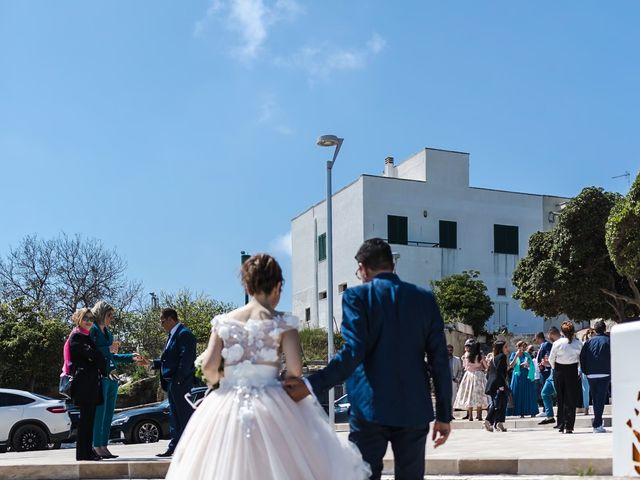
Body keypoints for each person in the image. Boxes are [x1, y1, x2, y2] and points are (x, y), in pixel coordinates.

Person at [165, 254, 370, 479]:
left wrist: (222, 382)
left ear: (247, 285)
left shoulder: (224, 321)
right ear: (277, 285)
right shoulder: (284, 323)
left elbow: (209, 366)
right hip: (272, 401)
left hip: (226, 402)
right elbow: (295, 370)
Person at [285, 238, 452, 480]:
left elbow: (353, 351)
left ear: (363, 267)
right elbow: (439, 361)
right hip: (414, 408)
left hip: (369, 407)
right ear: (391, 264)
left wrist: (312, 385)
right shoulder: (424, 299)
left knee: (363, 476)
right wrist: (444, 415)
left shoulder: (357, 297)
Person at [139, 308, 197, 457]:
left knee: (184, 416)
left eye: (162, 321)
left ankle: (189, 448)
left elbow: (186, 360)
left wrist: (178, 380)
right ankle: (175, 447)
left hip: (180, 383)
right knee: (174, 417)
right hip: (171, 383)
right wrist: (151, 363)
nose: (161, 325)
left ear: (171, 319)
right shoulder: (172, 335)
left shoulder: (185, 334)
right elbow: (169, 360)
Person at [89, 301, 142, 459]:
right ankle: (96, 446)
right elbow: (89, 351)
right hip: (99, 376)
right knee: (99, 413)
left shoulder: (108, 333)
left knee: (108, 414)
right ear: (101, 313)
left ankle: (103, 446)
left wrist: (131, 357)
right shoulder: (93, 329)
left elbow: (112, 356)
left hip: (112, 377)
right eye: (109, 315)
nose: (111, 318)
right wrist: (107, 349)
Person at [66, 308, 107, 461]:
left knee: (89, 420)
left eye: (91, 318)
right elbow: (93, 355)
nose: (89, 321)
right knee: (85, 420)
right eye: (85, 318)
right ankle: (83, 453)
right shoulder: (77, 336)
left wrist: (97, 356)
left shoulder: (86, 336)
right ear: (78, 320)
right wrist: (97, 356)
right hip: (84, 385)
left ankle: (87, 451)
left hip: (90, 384)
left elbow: (97, 357)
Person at [549, 320, 583, 434]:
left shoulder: (557, 343)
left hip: (559, 370)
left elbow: (551, 359)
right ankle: (569, 426)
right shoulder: (578, 343)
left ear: (561, 331)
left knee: (560, 398)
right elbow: (580, 360)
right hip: (572, 370)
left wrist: (555, 368)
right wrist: (577, 367)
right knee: (571, 399)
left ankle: (561, 424)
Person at [579, 320, 611, 433]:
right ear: (604, 329)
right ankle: (597, 424)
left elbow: (582, 357)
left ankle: (597, 423)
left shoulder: (588, 342)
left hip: (591, 374)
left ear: (595, 329)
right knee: (600, 399)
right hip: (605, 372)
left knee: (595, 398)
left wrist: (585, 371)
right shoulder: (608, 340)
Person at [454, 341, 488, 421]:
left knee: (469, 395)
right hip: (479, 376)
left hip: (469, 375)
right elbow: (486, 366)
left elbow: (465, 366)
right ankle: (479, 416)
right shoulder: (480, 355)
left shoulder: (466, 355)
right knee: (479, 395)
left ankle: (470, 416)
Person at [507, 341, 538, 418]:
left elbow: (532, 366)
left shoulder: (527, 354)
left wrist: (528, 366)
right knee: (519, 393)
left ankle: (531, 411)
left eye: (525, 346)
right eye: (522, 346)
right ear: (518, 346)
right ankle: (521, 412)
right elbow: (511, 365)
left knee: (528, 393)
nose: (523, 348)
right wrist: (518, 360)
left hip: (526, 376)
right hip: (518, 376)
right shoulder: (514, 354)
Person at [484, 341, 509, 432]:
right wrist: (501, 385)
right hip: (499, 384)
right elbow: (499, 372)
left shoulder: (493, 359)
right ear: (501, 348)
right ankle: (488, 421)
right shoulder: (502, 357)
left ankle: (499, 423)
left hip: (492, 384)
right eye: (505, 347)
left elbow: (489, 373)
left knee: (502, 403)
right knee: (497, 403)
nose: (507, 349)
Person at [538, 327, 560, 425]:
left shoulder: (560, 344)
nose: (548, 337)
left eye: (549, 335)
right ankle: (550, 416)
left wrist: (548, 363)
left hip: (558, 372)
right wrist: (547, 363)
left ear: (552, 334)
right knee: (545, 393)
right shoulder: (553, 344)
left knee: (561, 396)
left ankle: (562, 419)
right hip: (552, 372)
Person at [535, 331, 552, 417]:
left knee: (545, 391)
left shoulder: (546, 344)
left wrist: (543, 365)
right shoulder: (542, 345)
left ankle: (546, 410)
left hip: (545, 370)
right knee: (543, 390)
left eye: (536, 339)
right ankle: (545, 409)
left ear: (539, 337)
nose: (536, 341)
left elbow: (547, 355)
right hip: (542, 371)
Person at [448, 344, 464, 419]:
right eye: (447, 350)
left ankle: (450, 414)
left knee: (452, 398)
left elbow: (460, 371)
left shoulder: (457, 359)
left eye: (450, 350)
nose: (449, 351)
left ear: (453, 350)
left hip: (453, 381)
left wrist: (457, 379)